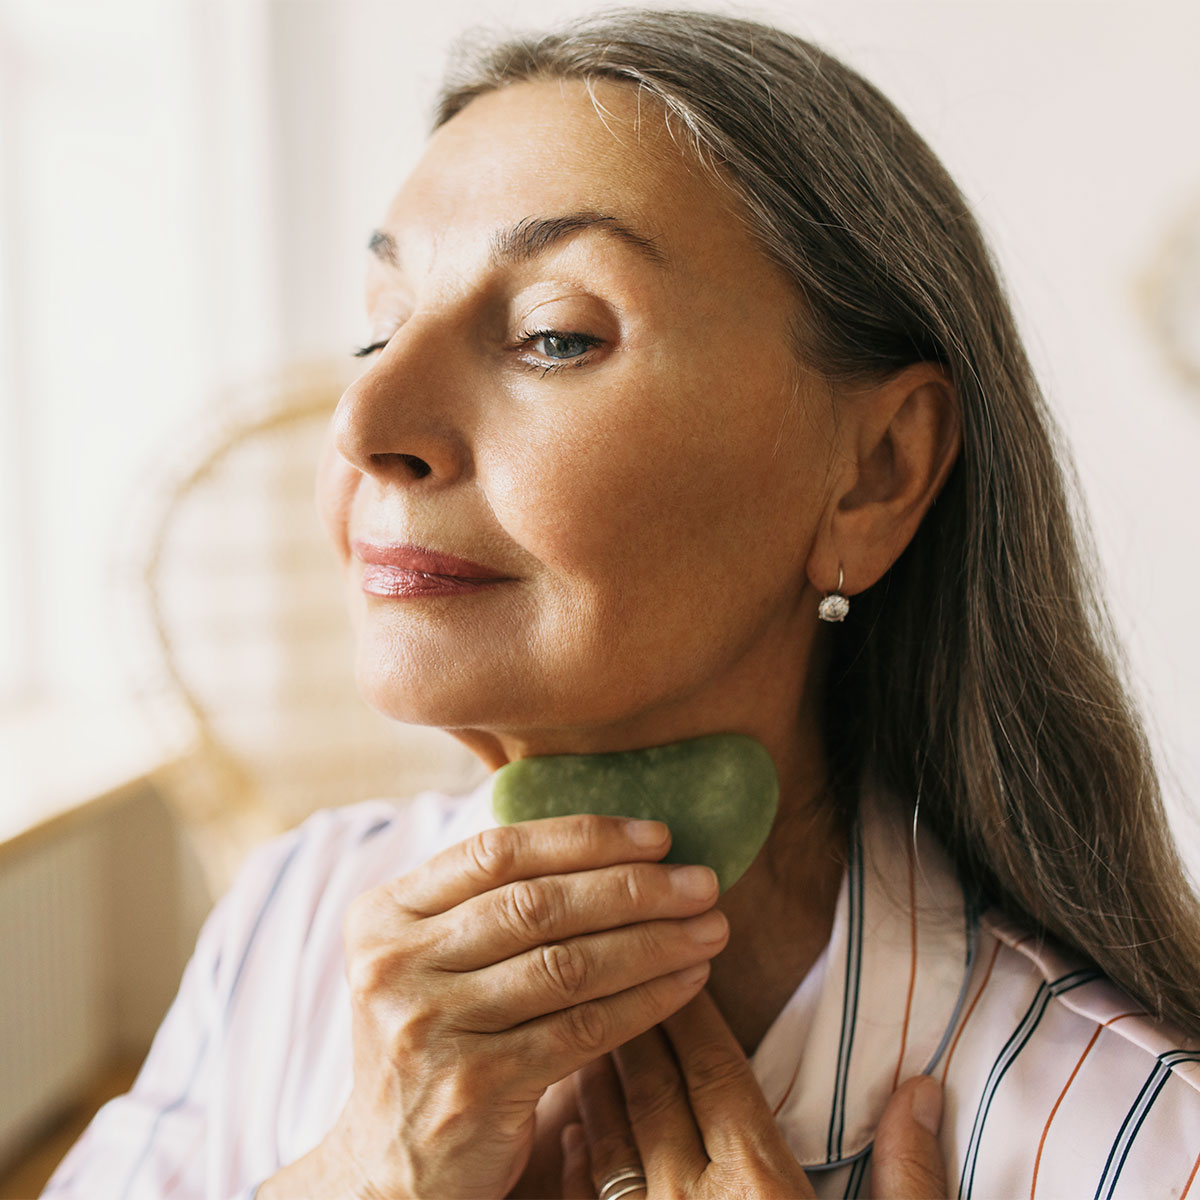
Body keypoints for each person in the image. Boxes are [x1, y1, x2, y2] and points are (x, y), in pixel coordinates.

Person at [42, 8, 1200, 1199]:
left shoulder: (1149, 1146)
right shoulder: (288, 915)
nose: (364, 423)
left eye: (553, 336)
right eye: (377, 329)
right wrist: (361, 1173)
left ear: (876, 472)